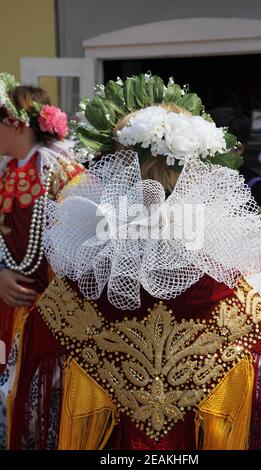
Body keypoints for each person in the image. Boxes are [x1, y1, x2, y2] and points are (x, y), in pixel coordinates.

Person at [8, 74, 261, 450]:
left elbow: (36, 405)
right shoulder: (225, 291)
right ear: (197, 177)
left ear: (117, 172)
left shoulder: (68, 299)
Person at [0, 73, 84, 449]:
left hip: (53, 317)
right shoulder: (6, 171)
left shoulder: (62, 171)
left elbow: (85, 247)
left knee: (47, 408)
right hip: (9, 310)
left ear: (15, 124)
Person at [209, 106, 261, 206]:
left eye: (219, 144)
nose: (209, 150)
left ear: (239, 148)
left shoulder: (257, 189)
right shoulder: (189, 180)